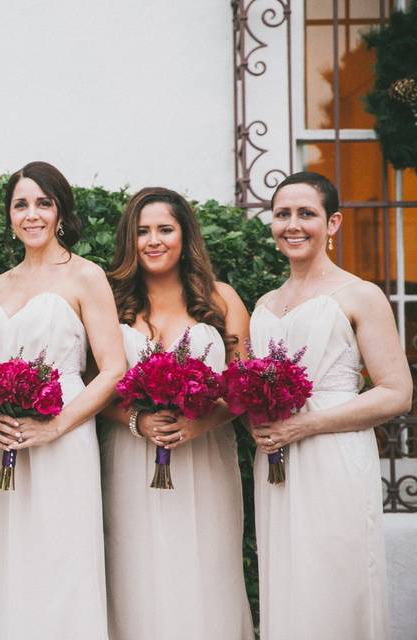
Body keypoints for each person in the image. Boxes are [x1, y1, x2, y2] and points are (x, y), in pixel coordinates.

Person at [250, 171, 412, 640]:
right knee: (286, 577)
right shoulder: (265, 302)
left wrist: (306, 425)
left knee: (335, 579)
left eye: (307, 214)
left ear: (333, 223)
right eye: (283, 214)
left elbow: (396, 392)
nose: (292, 225)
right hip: (277, 462)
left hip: (334, 458)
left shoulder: (360, 294)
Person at [0, 161, 127, 640]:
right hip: (3, 446)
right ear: (9, 216)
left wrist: (57, 425)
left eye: (43, 203)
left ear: (61, 212)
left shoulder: (86, 276)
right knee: (9, 560)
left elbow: (114, 368)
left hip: (63, 441)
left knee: (61, 560)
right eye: (21, 204)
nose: (32, 214)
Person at [100, 187, 254, 640]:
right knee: (137, 567)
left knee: (206, 567)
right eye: (143, 231)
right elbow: (97, 388)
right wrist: (137, 420)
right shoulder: (112, 304)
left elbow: (243, 386)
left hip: (204, 460)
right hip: (131, 458)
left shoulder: (222, 299)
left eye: (165, 229)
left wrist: (201, 421)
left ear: (185, 236)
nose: (153, 241)